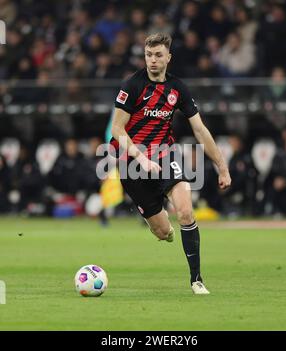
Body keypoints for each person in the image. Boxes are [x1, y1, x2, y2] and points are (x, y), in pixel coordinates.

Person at [110, 33, 231, 295]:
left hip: (165, 154)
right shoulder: (132, 86)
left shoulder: (178, 89)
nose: (152, 60)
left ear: (168, 57)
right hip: (132, 162)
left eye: (158, 55)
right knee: (163, 231)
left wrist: (222, 166)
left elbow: (199, 130)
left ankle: (196, 280)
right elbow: (117, 129)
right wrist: (140, 157)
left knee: (186, 212)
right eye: (148, 55)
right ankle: (161, 225)